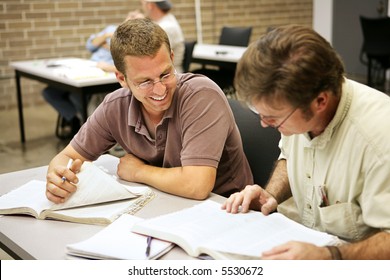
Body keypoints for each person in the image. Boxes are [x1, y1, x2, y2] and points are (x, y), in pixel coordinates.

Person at [222, 24, 390, 260]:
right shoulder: (297, 108)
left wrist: (329, 256)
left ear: (320, 101)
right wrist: (271, 195)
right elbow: (289, 158)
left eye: (273, 117)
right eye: (259, 113)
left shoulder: (379, 141)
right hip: (301, 240)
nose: (263, 124)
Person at [45, 18, 253, 204]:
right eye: (145, 82)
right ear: (121, 79)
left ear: (172, 58)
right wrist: (58, 177)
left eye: (165, 74)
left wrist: (138, 171)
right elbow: (67, 156)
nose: (160, 90)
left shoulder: (200, 95)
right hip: (165, 204)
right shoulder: (115, 106)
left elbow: (196, 185)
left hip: (226, 211)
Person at [42, 11, 144, 139]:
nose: (132, 19)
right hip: (87, 67)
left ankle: (88, 131)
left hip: (102, 75)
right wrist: (107, 35)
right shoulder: (111, 29)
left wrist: (108, 53)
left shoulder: (134, 39)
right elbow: (91, 45)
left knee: (75, 95)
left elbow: (131, 65)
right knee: (50, 92)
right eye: (132, 15)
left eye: (137, 19)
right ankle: (74, 119)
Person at [140, 0, 185, 73]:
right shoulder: (167, 20)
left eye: (142, 4)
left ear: (150, 6)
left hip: (169, 76)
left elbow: (148, 58)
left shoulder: (166, 27)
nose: (142, 8)